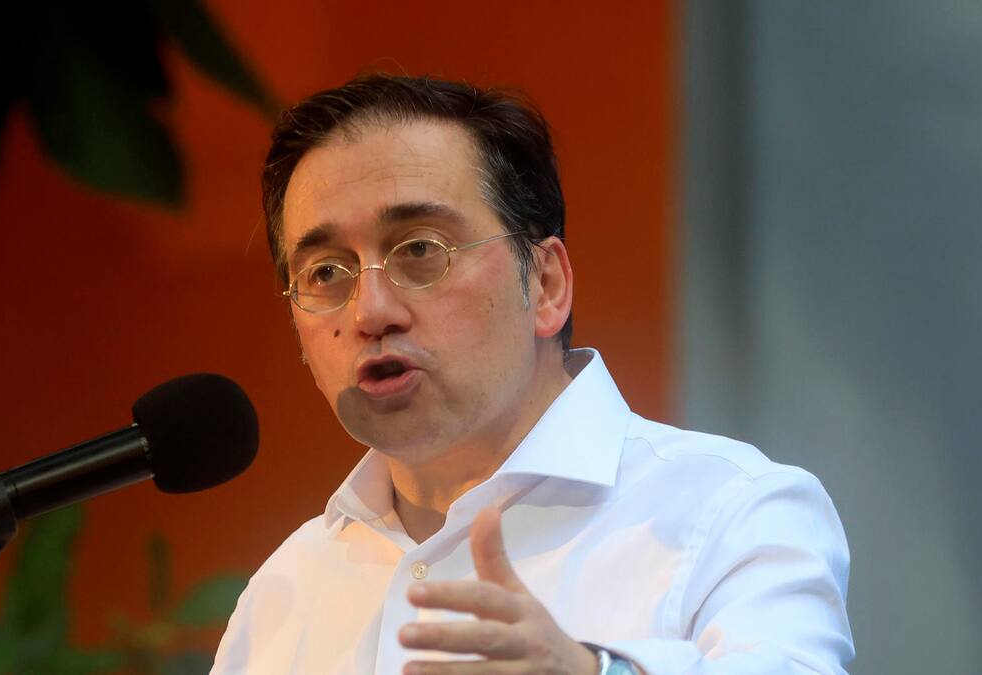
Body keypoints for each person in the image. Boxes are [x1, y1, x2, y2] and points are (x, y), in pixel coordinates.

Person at [211, 75, 853, 675]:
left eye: (420, 250)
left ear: (545, 284)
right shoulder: (284, 594)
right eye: (326, 272)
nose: (370, 311)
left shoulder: (733, 512)